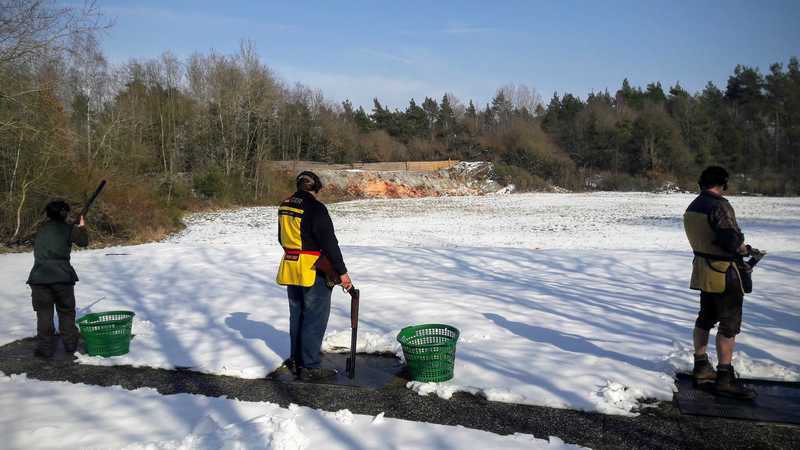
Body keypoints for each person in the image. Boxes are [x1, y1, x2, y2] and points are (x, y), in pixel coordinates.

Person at [683, 166, 756, 400]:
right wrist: (743, 247)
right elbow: (730, 240)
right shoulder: (720, 206)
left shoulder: (693, 205)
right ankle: (724, 378)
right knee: (729, 326)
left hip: (704, 270)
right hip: (725, 273)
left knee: (705, 318)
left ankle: (701, 366)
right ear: (722, 183)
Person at [276, 171, 352, 381]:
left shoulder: (285, 205)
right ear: (316, 188)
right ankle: (309, 366)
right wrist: (342, 272)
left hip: (290, 267)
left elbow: (281, 238)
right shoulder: (316, 208)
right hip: (312, 269)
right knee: (314, 318)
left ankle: (296, 360)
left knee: (297, 316)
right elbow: (329, 243)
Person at [26, 200, 89, 357]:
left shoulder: (40, 230)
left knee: (44, 315)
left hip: (39, 278)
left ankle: (45, 349)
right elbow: (83, 242)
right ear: (63, 213)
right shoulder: (69, 229)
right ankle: (70, 346)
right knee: (66, 312)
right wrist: (81, 227)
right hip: (62, 277)